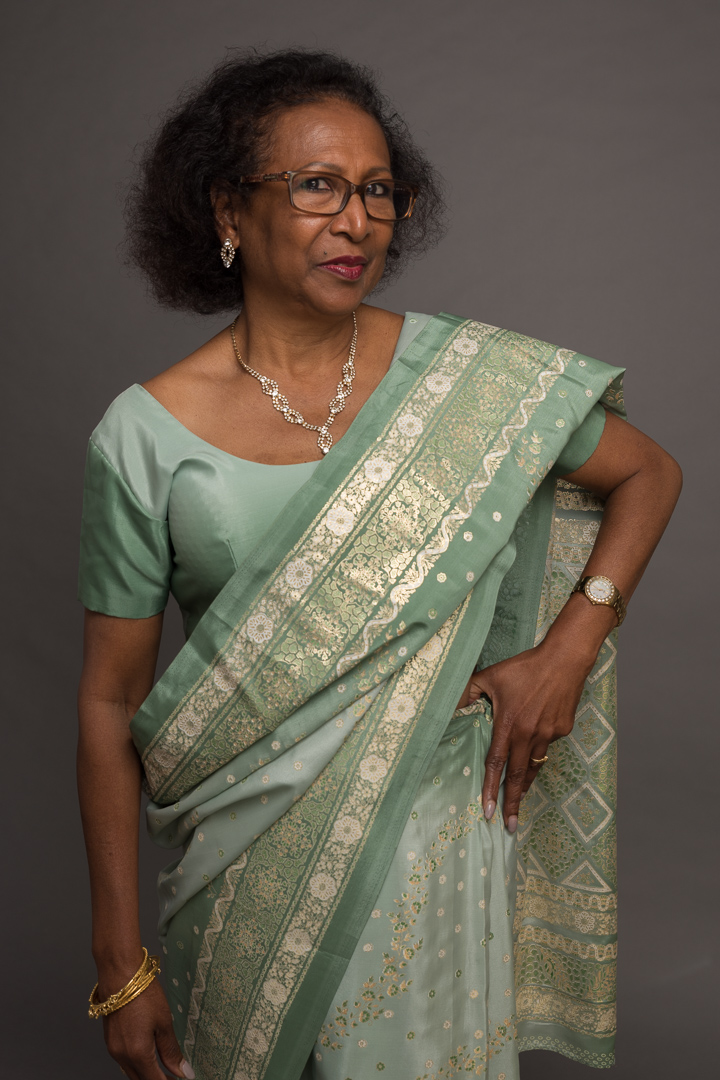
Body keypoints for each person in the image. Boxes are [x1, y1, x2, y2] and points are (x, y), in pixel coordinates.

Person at [77, 49, 681, 1080]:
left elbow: (649, 472)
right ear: (228, 208)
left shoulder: (467, 387)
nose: (356, 221)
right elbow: (108, 701)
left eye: (378, 192)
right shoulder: (144, 436)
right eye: (317, 186)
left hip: (436, 858)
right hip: (242, 878)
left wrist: (568, 650)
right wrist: (118, 962)